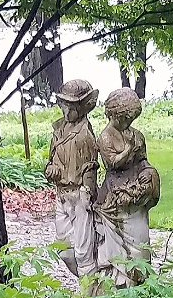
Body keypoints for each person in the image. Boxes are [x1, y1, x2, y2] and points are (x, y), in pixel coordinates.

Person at [94, 87, 161, 285]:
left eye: (130, 119)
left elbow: (143, 161)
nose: (128, 123)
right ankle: (118, 284)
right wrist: (128, 150)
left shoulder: (137, 135)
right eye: (124, 118)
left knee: (141, 243)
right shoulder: (105, 137)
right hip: (116, 194)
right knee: (116, 253)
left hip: (136, 194)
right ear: (113, 114)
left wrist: (149, 173)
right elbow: (112, 164)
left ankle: (140, 284)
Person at [44, 78, 100, 281]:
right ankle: (90, 284)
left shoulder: (85, 134)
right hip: (62, 196)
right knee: (64, 249)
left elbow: (91, 165)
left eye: (72, 107)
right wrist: (51, 170)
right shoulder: (58, 131)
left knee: (84, 252)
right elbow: (50, 161)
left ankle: (89, 295)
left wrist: (87, 192)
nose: (67, 112)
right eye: (64, 106)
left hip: (80, 196)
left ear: (84, 107)